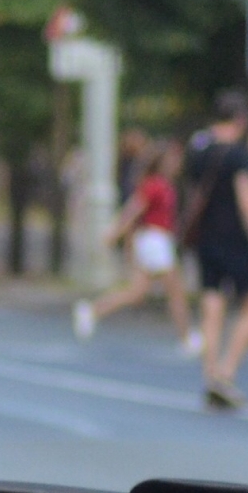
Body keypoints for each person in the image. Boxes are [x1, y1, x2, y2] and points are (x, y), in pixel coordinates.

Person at [182, 91, 248, 410]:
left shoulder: (198, 153)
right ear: (241, 120)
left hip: (205, 240)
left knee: (211, 304)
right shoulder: (239, 157)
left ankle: (209, 374)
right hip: (236, 241)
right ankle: (226, 371)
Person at [73, 137, 192, 350]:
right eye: (174, 159)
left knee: (137, 292)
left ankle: (93, 310)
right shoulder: (154, 185)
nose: (177, 164)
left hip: (155, 240)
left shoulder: (163, 185)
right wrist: (115, 232)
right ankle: (186, 338)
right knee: (176, 291)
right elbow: (133, 210)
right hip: (155, 240)